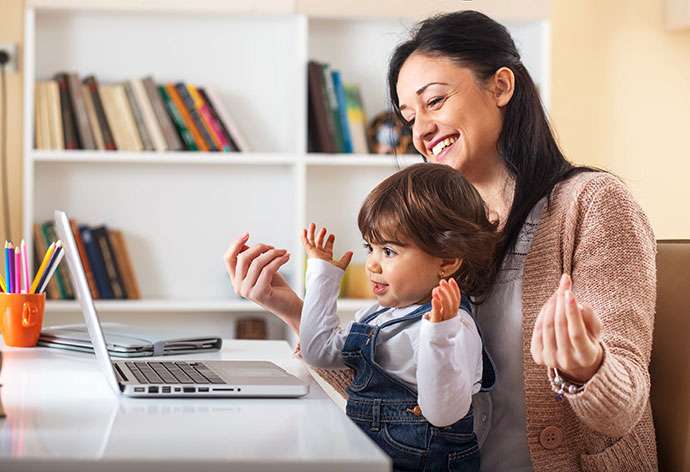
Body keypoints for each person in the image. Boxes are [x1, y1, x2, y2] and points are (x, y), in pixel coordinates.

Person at [224, 10, 657, 472]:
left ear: (501, 87)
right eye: (409, 117)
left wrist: (585, 367)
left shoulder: (593, 204)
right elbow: (392, 403)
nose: (421, 132)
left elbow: (622, 410)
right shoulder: (437, 227)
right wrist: (293, 307)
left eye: (434, 102)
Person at [298, 163, 497, 471]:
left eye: (388, 251)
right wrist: (322, 275)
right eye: (370, 248)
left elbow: (443, 413)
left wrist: (439, 334)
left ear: (446, 261)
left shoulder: (456, 327)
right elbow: (318, 352)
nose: (372, 264)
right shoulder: (376, 315)